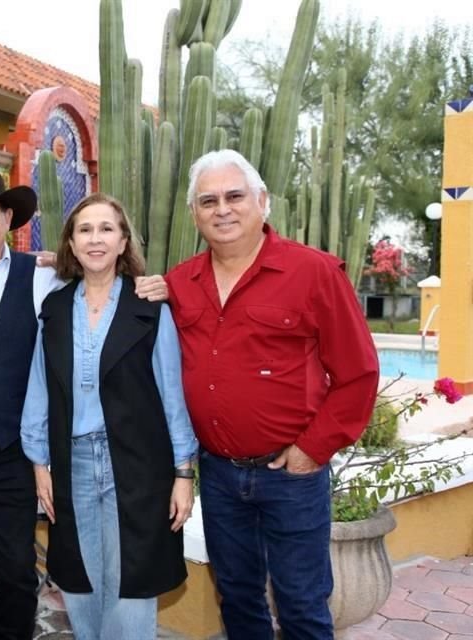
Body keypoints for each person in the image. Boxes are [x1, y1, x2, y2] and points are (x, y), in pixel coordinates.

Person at [0, 159, 167, 640]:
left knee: (16, 567)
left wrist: (162, 286)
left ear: (9, 220)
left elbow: (103, 289)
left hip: (13, 452)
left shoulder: (41, 276)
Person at [165, 149, 379, 639]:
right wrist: (62, 265)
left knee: (301, 603)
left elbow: (359, 373)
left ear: (262, 201)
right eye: (208, 200)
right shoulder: (181, 282)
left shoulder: (314, 273)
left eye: (234, 196)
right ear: (194, 214)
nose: (222, 209)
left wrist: (312, 449)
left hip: (292, 475)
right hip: (219, 475)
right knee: (238, 597)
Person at [20, 193, 197, 640]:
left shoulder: (150, 309)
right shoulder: (55, 310)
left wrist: (183, 473)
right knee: (79, 578)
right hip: (71, 462)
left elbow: (172, 394)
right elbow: (39, 388)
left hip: (137, 464)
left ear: (122, 242)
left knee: (131, 582)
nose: (95, 238)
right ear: (72, 245)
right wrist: (39, 463)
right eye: (84, 230)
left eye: (106, 229)